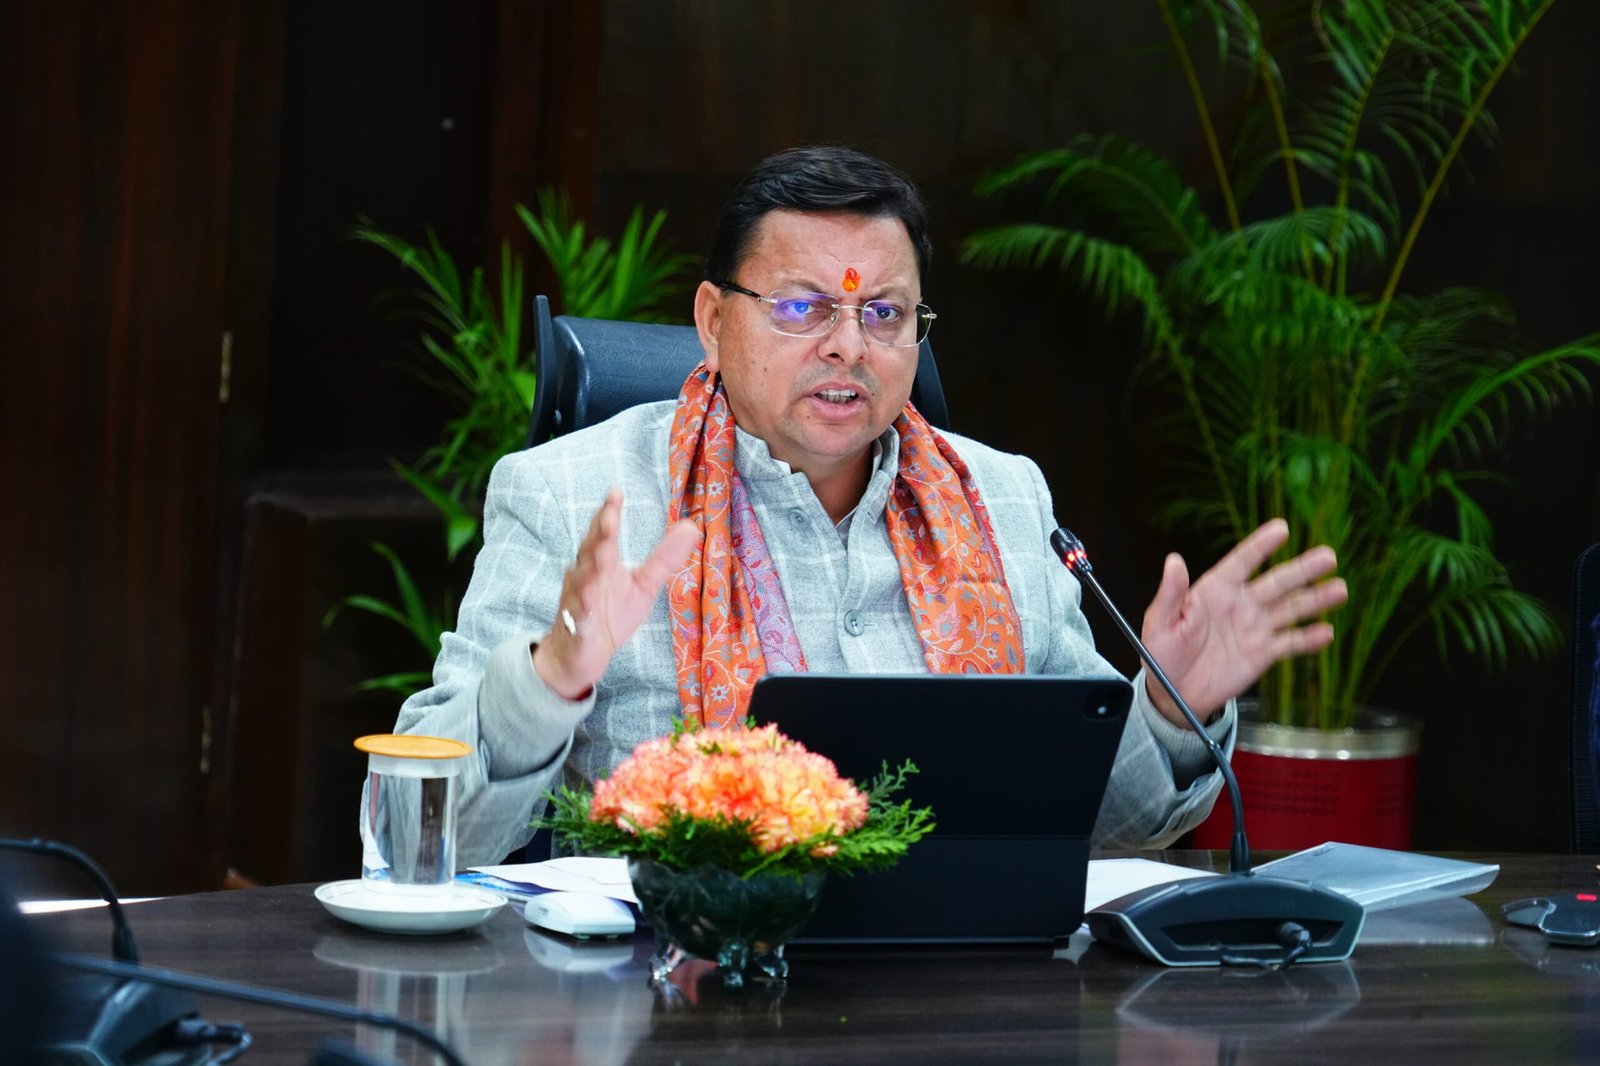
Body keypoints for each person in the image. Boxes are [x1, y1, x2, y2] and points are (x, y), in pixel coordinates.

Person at [391, 145, 1347, 868]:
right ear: (714, 321)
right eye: (802, 308)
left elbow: (1101, 824)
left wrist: (1170, 708)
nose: (849, 346)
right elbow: (413, 832)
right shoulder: (570, 496)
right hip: (677, 998)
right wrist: (548, 681)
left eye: (883, 313)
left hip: (959, 1002)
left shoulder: (1003, 501)